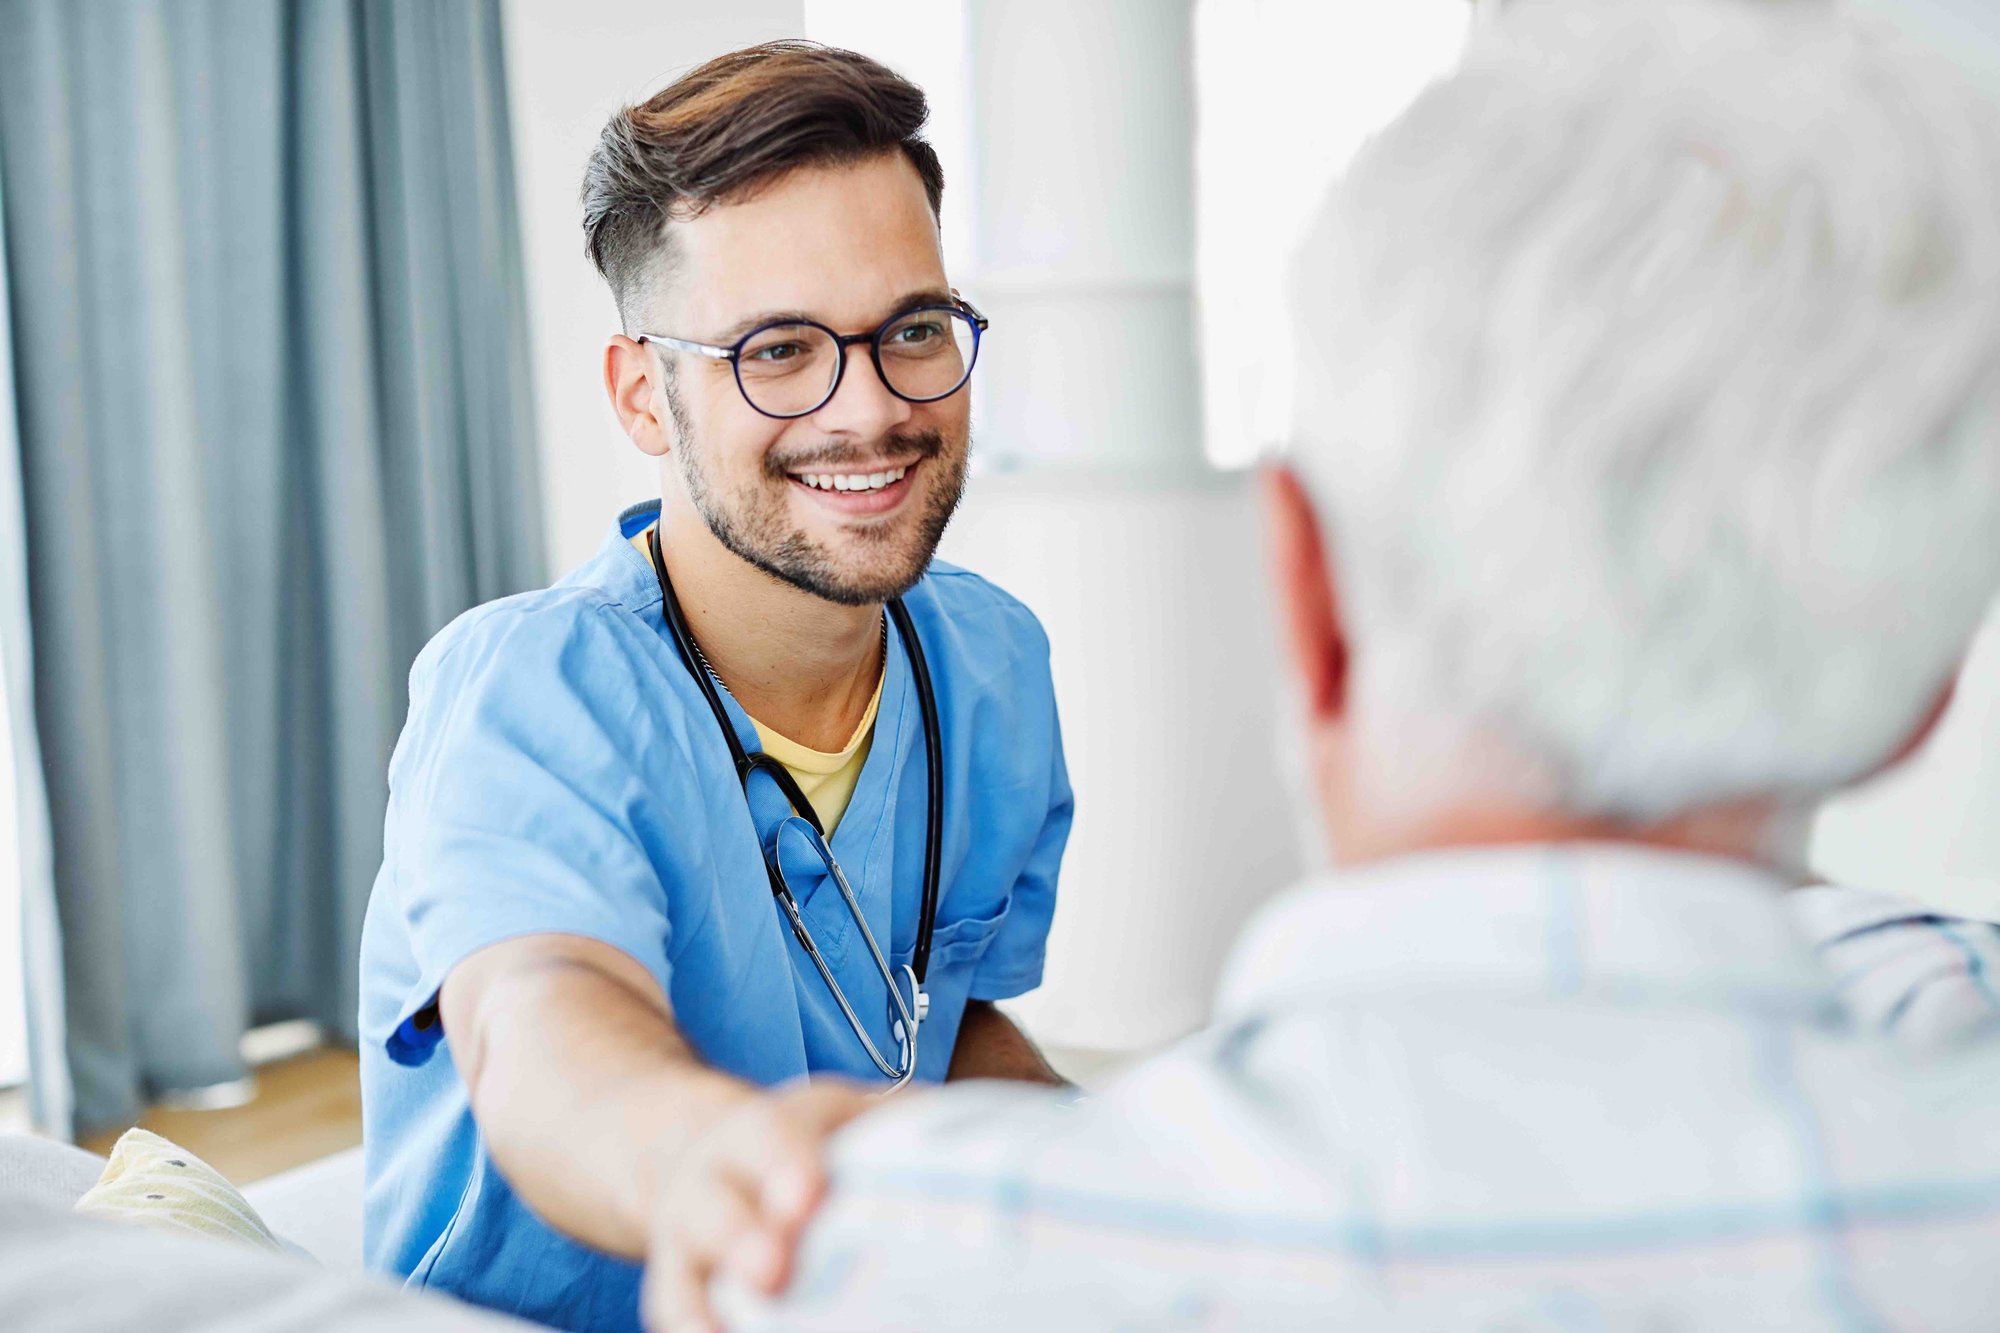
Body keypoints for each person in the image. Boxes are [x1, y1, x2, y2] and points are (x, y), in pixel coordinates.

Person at [717, 4, 2000, 1329]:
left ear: (1301, 591)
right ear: (1925, 692)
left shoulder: (871, 1261)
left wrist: (842, 1188)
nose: (864, 405)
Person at [356, 42, 1072, 1332]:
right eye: (779, 350)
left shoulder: (993, 662)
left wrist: (1097, 1171)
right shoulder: (528, 689)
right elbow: (545, 1029)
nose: (872, 408)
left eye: (914, 329)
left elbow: (939, 1019)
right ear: (646, 394)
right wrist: (711, 1170)